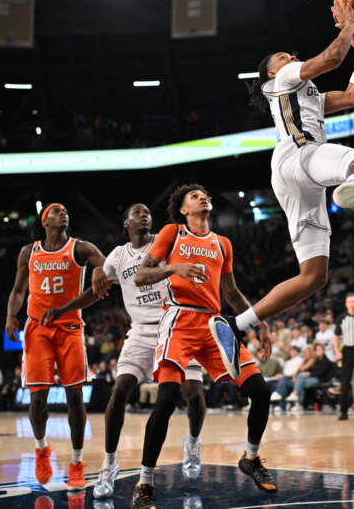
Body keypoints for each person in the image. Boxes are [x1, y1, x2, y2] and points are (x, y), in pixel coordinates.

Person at [221, 0, 354, 353]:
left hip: (294, 176)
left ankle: (235, 325)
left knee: (313, 277)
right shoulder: (284, 78)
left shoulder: (307, 94)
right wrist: (349, 24)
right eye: (283, 57)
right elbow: (331, 59)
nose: (291, 57)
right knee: (344, 155)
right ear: (272, 73)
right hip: (298, 155)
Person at [41, 203, 209, 498]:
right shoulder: (118, 256)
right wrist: (67, 305)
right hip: (141, 332)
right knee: (119, 391)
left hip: (176, 325)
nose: (144, 215)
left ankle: (193, 442)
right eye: (137, 213)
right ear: (126, 223)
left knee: (193, 393)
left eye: (147, 212)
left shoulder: (165, 243)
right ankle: (109, 463)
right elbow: (96, 291)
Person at [129, 184, 276, 508]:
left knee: (260, 392)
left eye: (205, 194)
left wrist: (260, 322)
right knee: (167, 398)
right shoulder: (173, 233)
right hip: (179, 321)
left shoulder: (222, 243)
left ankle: (251, 458)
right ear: (184, 209)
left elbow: (231, 292)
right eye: (194, 196)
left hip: (214, 325)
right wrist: (174, 267)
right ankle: (145, 482)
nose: (203, 197)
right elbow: (141, 275)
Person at [4, 202, 106, 489]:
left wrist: (100, 271)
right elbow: (18, 290)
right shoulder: (29, 252)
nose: (63, 213)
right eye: (56, 211)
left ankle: (76, 462)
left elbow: (107, 265)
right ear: (44, 221)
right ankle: (41, 449)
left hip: (70, 328)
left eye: (65, 211)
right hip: (37, 329)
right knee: (38, 399)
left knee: (75, 397)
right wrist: (11, 315)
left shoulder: (81, 248)